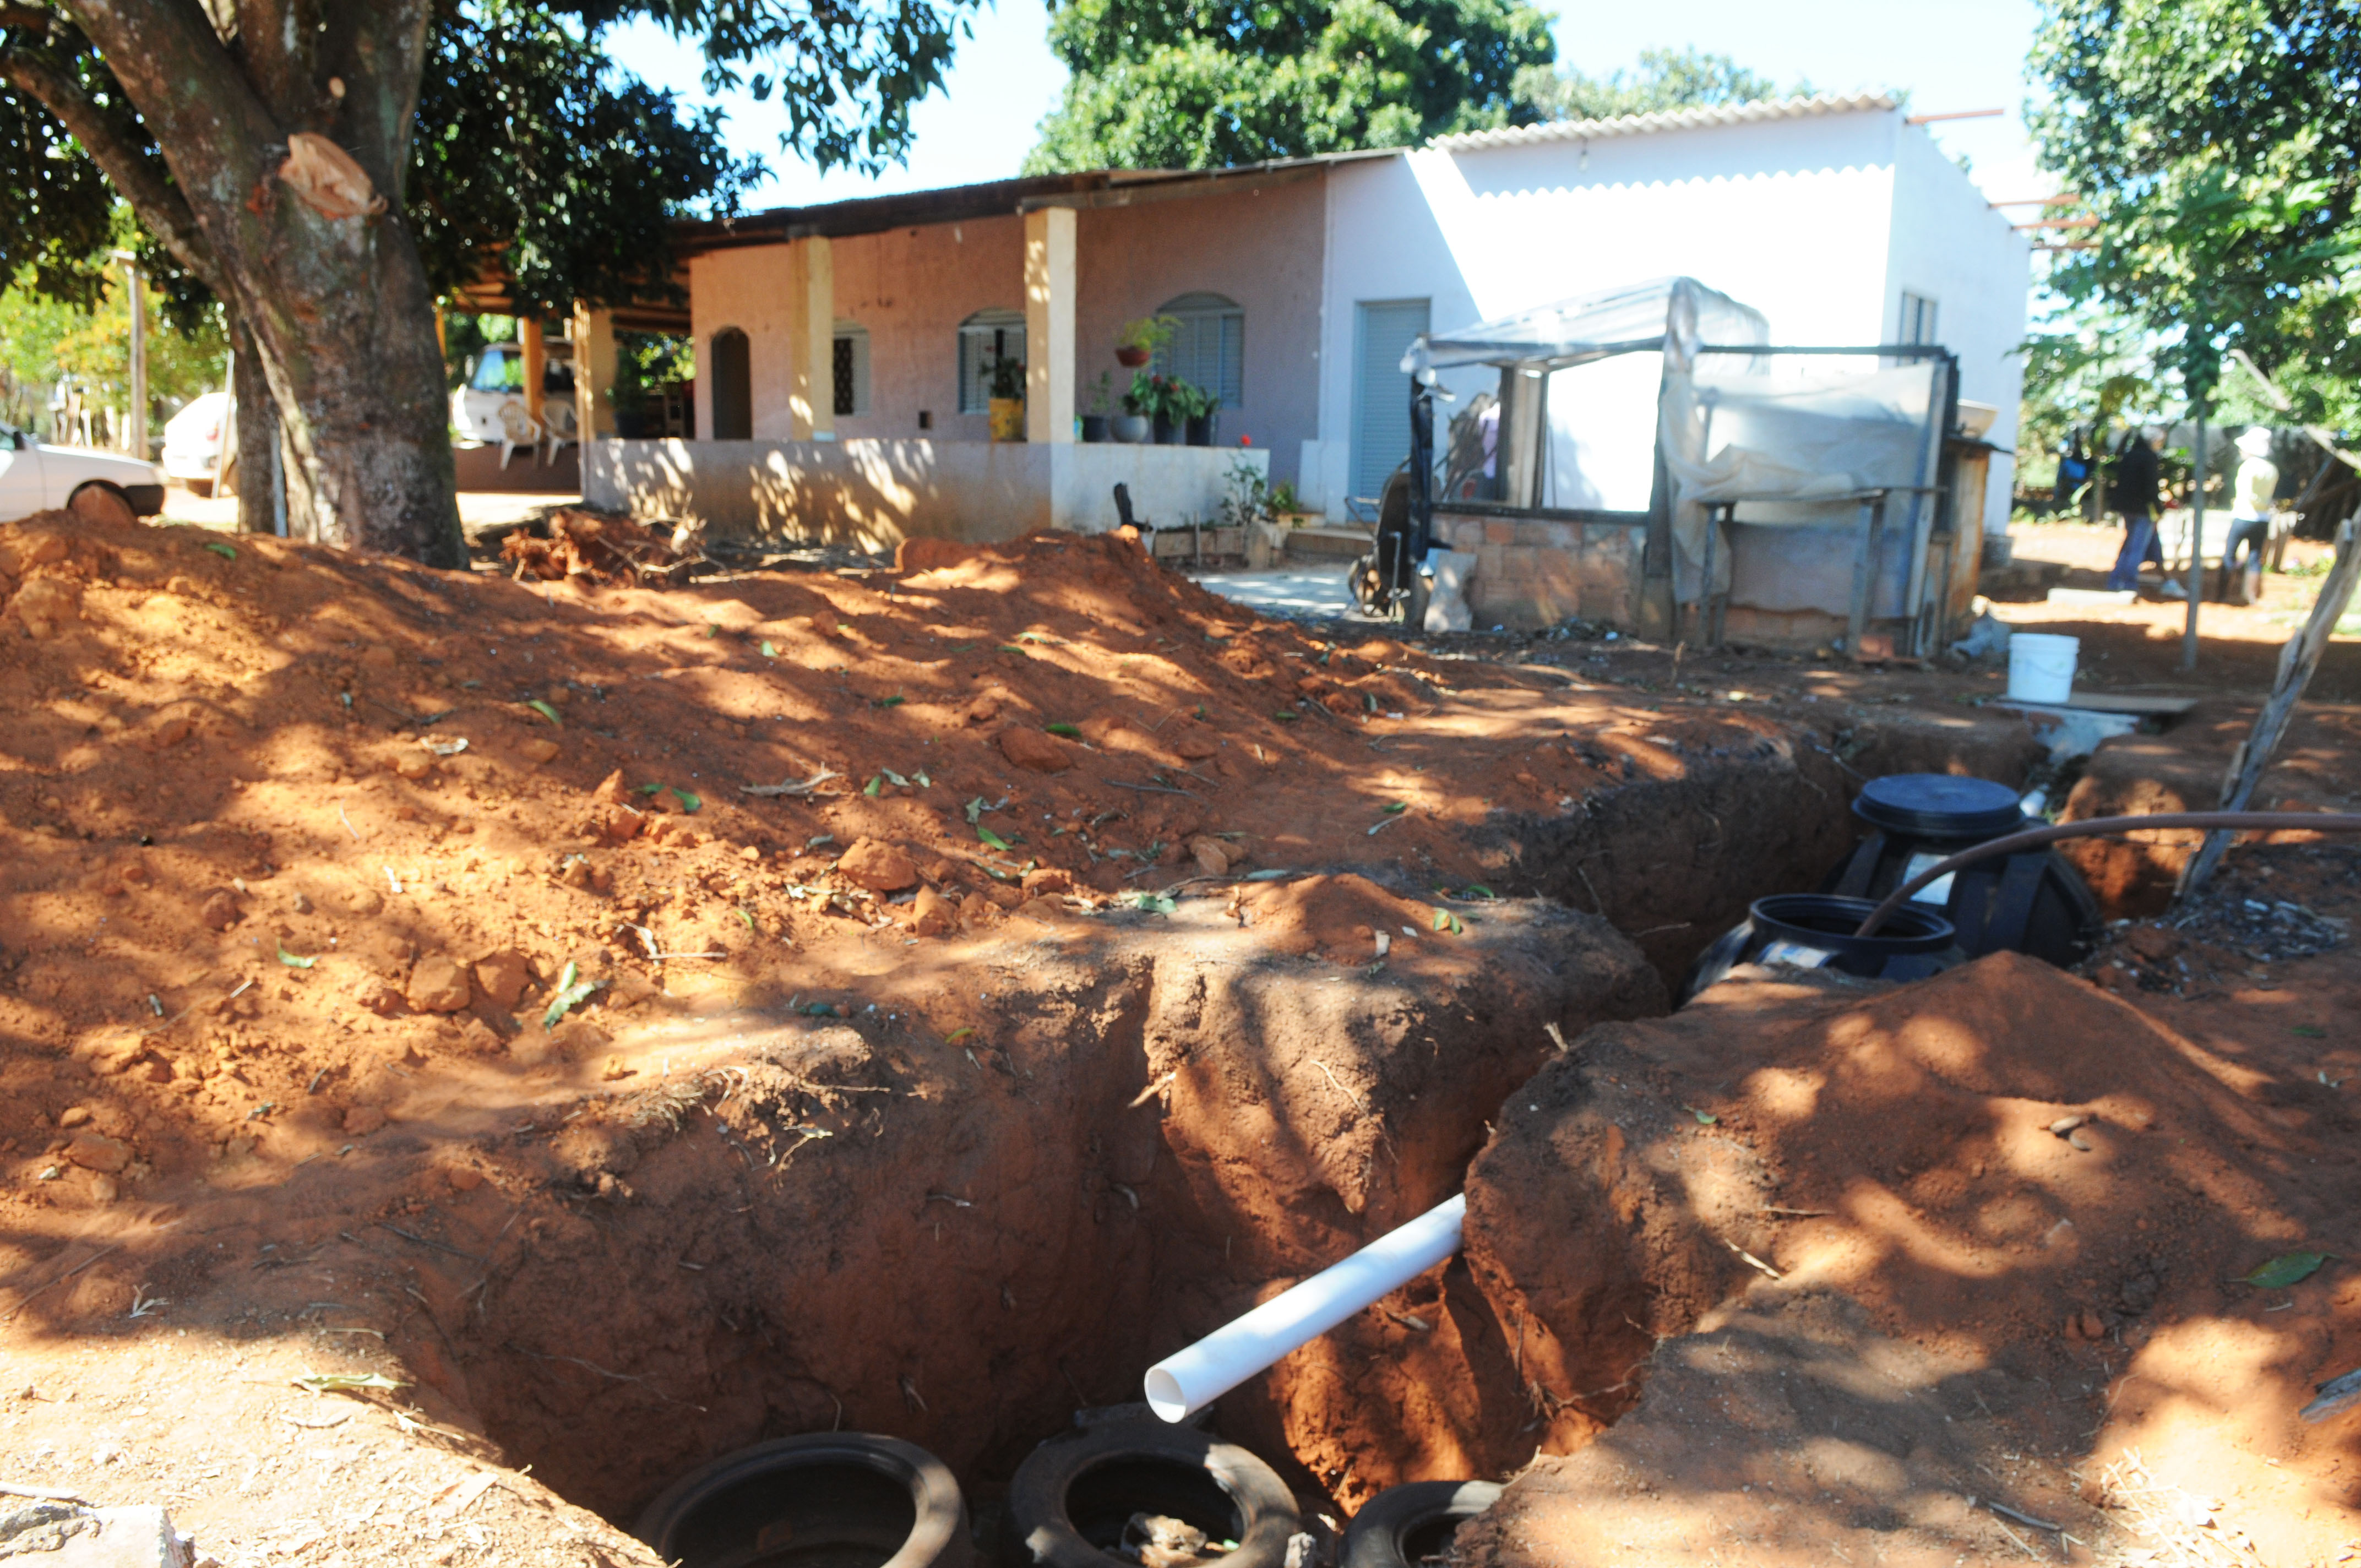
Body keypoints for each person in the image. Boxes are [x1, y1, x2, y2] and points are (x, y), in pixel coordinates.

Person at [2219, 427, 2280, 605]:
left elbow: (2247, 494)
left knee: (2229, 555)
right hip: (2262, 519)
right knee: (2255, 557)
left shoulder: (2248, 467)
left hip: (2244, 516)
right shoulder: (2272, 469)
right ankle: (2251, 595)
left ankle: (2223, 595)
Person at [2105, 426, 2167, 593]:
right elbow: (2151, 487)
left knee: (2129, 544)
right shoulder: (2149, 457)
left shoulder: (2130, 455)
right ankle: (2129, 584)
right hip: (2142, 510)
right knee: (2137, 548)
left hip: (2126, 508)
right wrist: (2159, 509)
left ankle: (2115, 581)